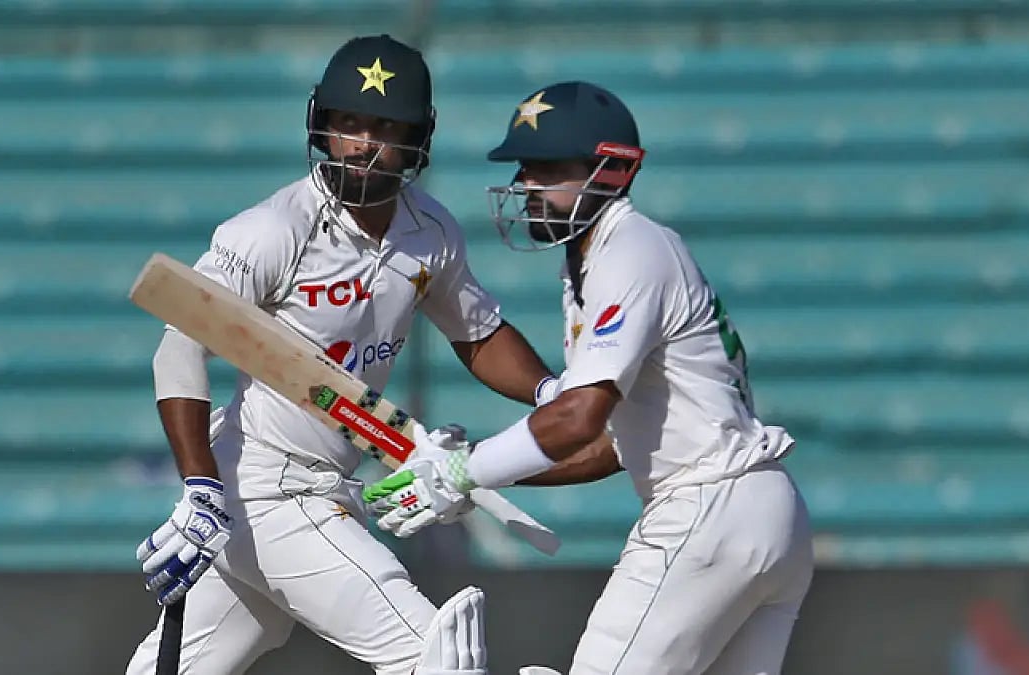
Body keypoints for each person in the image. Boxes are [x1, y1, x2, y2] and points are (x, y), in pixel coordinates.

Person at [125, 35, 555, 675]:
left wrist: (553, 395)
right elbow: (180, 345)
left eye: (383, 127)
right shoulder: (274, 231)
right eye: (347, 124)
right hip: (265, 489)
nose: (362, 144)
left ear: (418, 136)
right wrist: (201, 486)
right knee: (433, 658)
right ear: (320, 126)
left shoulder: (430, 233)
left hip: (326, 483)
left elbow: (480, 335)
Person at [364, 81, 815, 675]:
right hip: (767, 513)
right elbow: (608, 447)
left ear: (612, 170)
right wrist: (478, 477)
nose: (526, 183)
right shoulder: (594, 261)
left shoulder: (632, 249)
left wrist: (460, 471)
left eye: (548, 168)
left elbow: (579, 419)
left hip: (707, 508)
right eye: (525, 167)